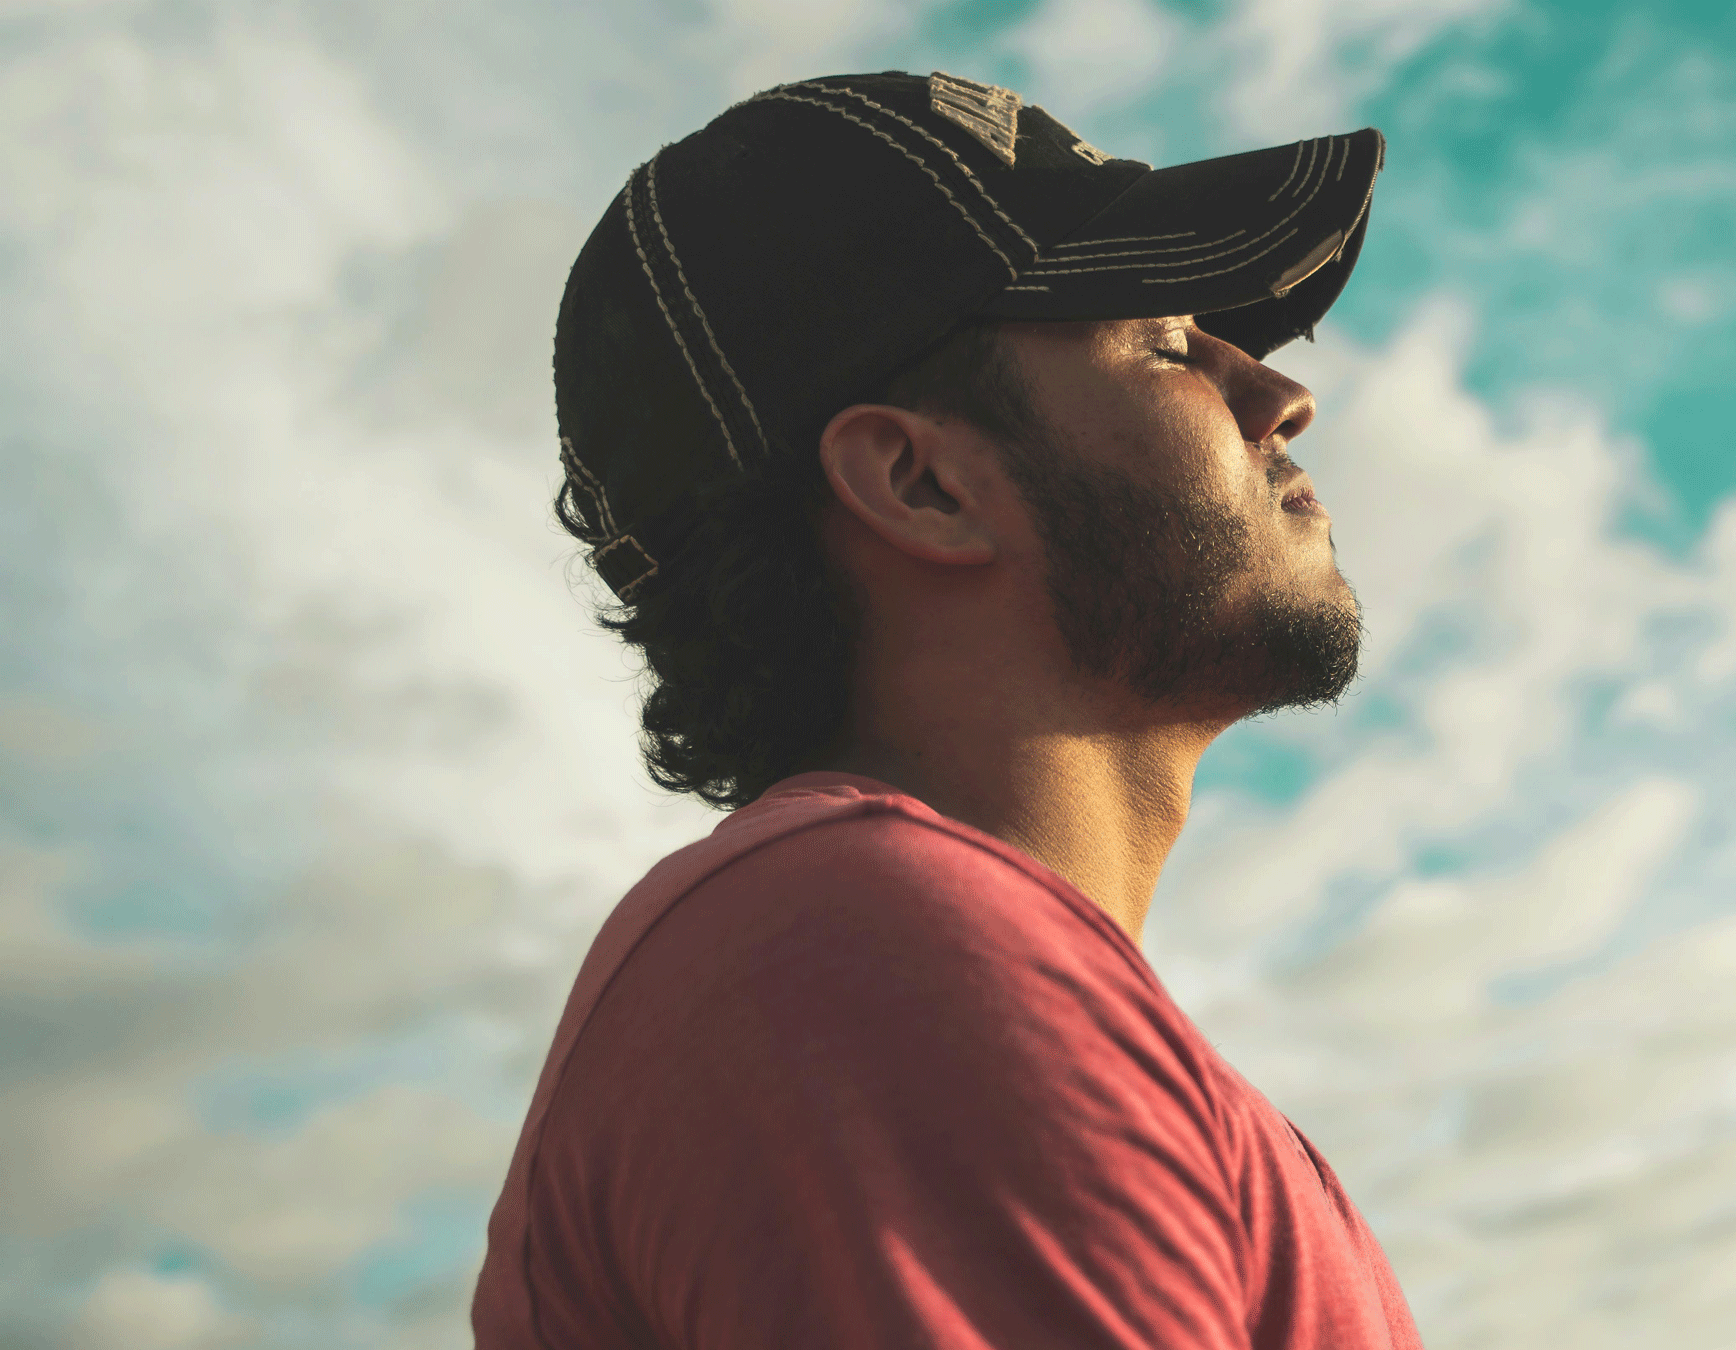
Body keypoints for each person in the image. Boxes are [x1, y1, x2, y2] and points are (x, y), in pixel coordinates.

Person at [472, 70, 1419, 1349]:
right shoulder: (866, 949)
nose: (1276, 395)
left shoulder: (913, 965)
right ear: (921, 484)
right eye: (1163, 344)